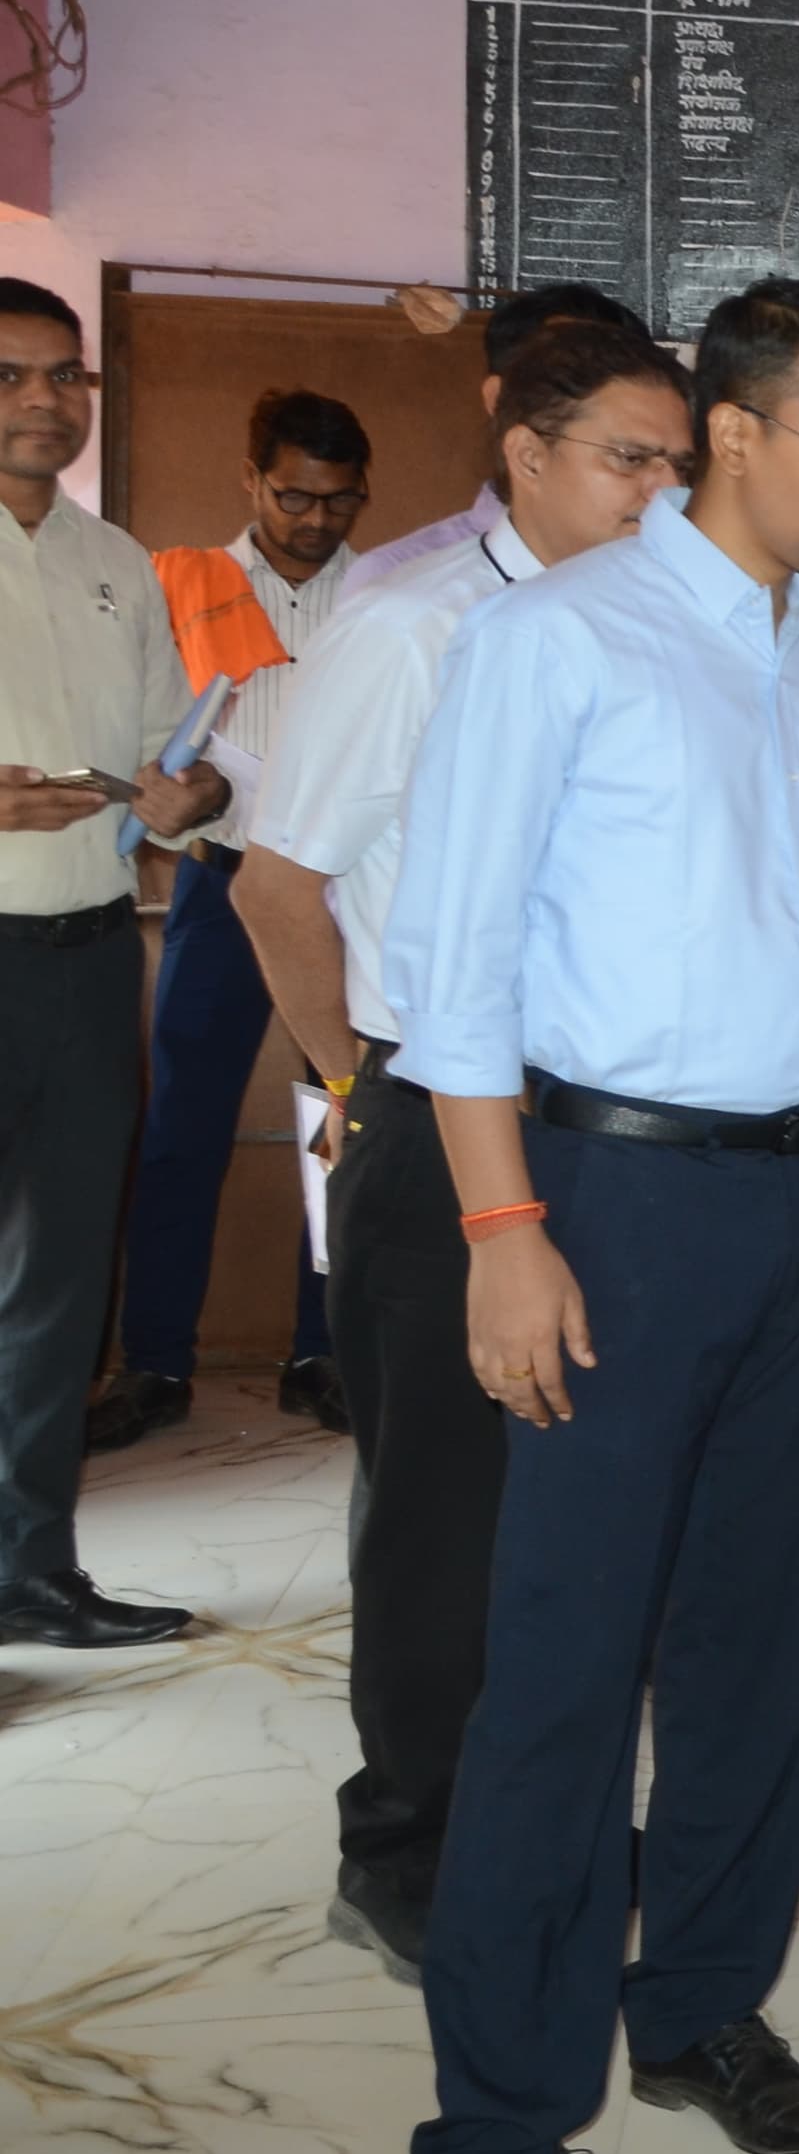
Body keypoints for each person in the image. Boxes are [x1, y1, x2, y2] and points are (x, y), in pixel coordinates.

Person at [383, 278, 799, 2154]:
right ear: (739, 436)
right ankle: (497, 2138)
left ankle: (697, 2002)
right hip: (606, 1200)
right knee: (563, 1665)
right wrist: (503, 1230)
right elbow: (447, 972)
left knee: (751, 1640)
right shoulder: (557, 639)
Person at [234, 318, 697, 1983]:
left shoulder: (654, 628)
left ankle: (550, 1816)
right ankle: (407, 1845)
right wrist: (358, 1086)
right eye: (628, 460)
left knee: (576, 1508)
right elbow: (277, 886)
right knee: (444, 1511)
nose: (659, 496)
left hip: (602, 1128)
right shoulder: (411, 622)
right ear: (526, 453)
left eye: (679, 466)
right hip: (435, 1122)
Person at [0, 276, 227, 1649]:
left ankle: (29, 1571)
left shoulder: (118, 561)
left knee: (62, 1281)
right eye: (11, 374)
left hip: (86, 959)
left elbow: (170, 756)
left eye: (64, 375)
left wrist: (187, 793)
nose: (44, 400)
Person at [90, 385, 373, 1451]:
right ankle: (156, 1361)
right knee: (182, 1128)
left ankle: (324, 1353)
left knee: (344, 1123)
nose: (315, 520)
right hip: (219, 883)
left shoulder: (384, 596)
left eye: (339, 500)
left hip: (342, 893)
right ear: (252, 480)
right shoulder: (178, 584)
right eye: (294, 496)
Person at [340, 282, 659, 601]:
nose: (595, 406)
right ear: (498, 398)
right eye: (569, 382)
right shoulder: (396, 579)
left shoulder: (659, 572)